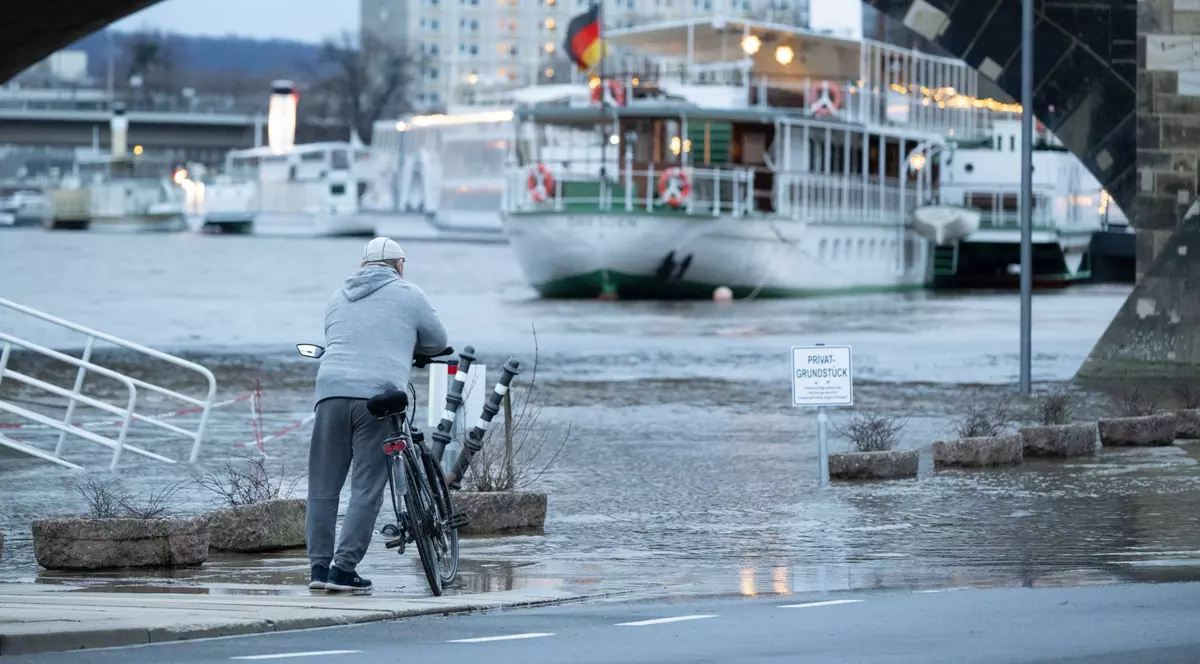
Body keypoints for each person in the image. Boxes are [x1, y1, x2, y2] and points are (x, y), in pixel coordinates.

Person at [306, 237, 448, 592]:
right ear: (399, 266)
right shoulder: (410, 293)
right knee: (366, 487)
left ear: (362, 266)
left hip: (330, 392)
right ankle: (343, 570)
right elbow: (438, 341)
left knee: (323, 487)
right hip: (377, 397)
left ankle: (319, 570)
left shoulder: (337, 296)